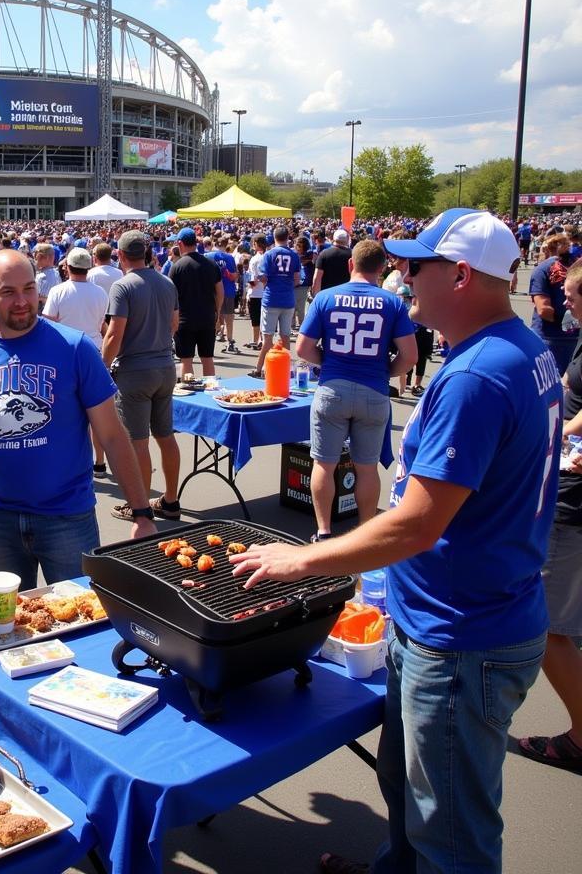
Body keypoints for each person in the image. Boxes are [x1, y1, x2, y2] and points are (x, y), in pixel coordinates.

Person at [234, 209, 556, 874]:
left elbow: (417, 522)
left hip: (464, 633)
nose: (405, 277)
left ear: (461, 274)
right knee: (409, 791)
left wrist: (303, 557)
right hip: (471, 609)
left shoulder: (477, 375)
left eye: (419, 266)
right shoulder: (521, 349)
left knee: (452, 831)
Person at [0, 250, 156, 591]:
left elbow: (112, 435)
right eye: (8, 292)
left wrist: (142, 514)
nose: (22, 301)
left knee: (81, 624)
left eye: (28, 289)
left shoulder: (75, 348)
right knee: (10, 629)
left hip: (67, 518)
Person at [296, 239, 417, 538]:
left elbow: (303, 348)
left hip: (333, 388)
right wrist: (386, 371)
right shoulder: (391, 303)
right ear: (381, 269)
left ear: (351, 264)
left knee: (324, 463)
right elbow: (410, 356)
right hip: (373, 390)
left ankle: (323, 531)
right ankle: (364, 532)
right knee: (366, 467)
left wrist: (327, 363)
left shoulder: (326, 298)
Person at [516, 259, 582, 773]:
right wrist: (567, 429)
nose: (567, 306)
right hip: (565, 481)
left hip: (572, 502)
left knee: (550, 626)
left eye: (575, 299)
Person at [101, 230, 181, 522]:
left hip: (135, 370)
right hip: (164, 366)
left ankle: (141, 506)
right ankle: (170, 501)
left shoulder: (123, 286)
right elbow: (174, 323)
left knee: (138, 442)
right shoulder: (166, 282)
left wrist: (101, 368)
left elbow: (114, 334)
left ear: (120, 256)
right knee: (166, 436)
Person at [169, 227, 223, 379]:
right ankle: (211, 390)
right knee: (207, 358)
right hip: (207, 317)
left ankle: (191, 395)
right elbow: (220, 291)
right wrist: (217, 313)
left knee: (186, 360)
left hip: (184, 320)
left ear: (180, 243)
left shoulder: (177, 267)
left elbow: (170, 295)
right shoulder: (211, 264)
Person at [253, 226, 301, 379]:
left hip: (271, 298)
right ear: (288, 237)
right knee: (285, 336)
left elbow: (262, 275)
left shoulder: (269, 254)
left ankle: (259, 369)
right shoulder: (294, 255)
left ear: (274, 237)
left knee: (267, 338)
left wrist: (269, 283)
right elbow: (297, 279)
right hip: (287, 299)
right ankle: (285, 370)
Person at [41, 247, 108, 350]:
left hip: (66, 347)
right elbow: (101, 323)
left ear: (67, 266)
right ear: (88, 267)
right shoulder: (101, 292)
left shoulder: (57, 291)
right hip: (93, 347)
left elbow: (48, 323)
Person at [530, 232, 576, 374]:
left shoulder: (541, 270)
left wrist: (565, 323)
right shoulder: (577, 267)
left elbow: (543, 309)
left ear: (547, 249)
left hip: (549, 338)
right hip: (575, 337)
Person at [209, 236, 239, 353]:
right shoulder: (230, 257)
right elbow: (233, 275)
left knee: (213, 315)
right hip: (228, 290)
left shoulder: (208, 256)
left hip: (212, 291)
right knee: (229, 317)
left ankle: (214, 337)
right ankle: (230, 340)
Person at [311, 228, 353, 297]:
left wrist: (316, 296)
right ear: (348, 240)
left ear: (333, 239)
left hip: (327, 295)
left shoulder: (324, 254)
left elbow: (317, 278)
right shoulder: (353, 255)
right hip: (346, 296)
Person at [245, 235, 266, 349]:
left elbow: (255, 279)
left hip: (256, 292)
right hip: (265, 292)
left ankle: (256, 340)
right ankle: (261, 340)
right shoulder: (267, 256)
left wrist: (249, 286)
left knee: (256, 319)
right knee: (263, 319)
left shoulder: (255, 259)